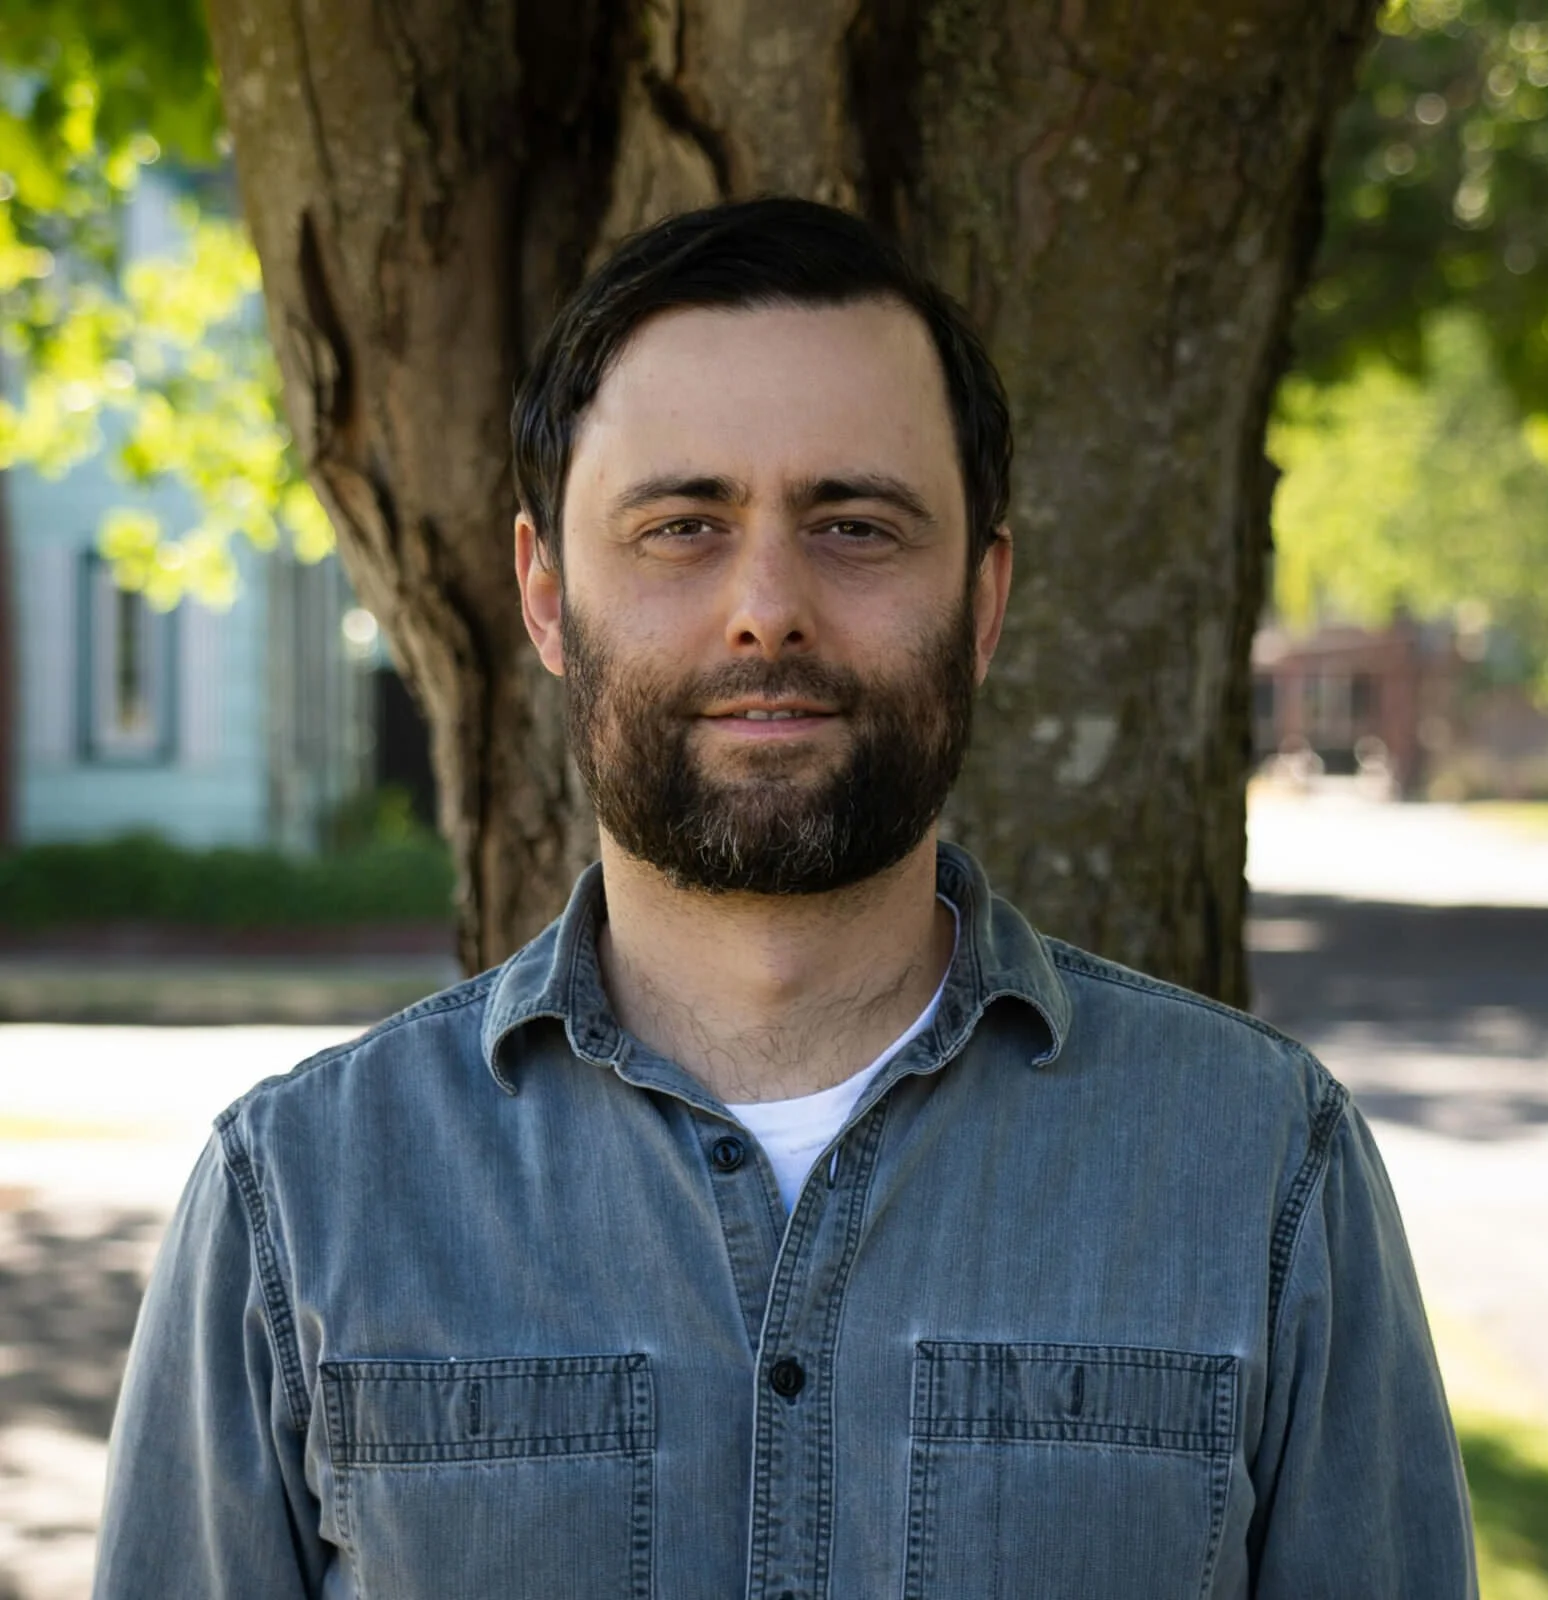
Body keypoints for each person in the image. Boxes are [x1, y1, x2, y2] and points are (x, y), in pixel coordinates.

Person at [93, 197, 1477, 1599]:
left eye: (858, 525)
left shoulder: (1263, 1172)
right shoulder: (301, 1200)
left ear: (983, 602)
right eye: (683, 525)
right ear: (546, 594)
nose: (769, 606)